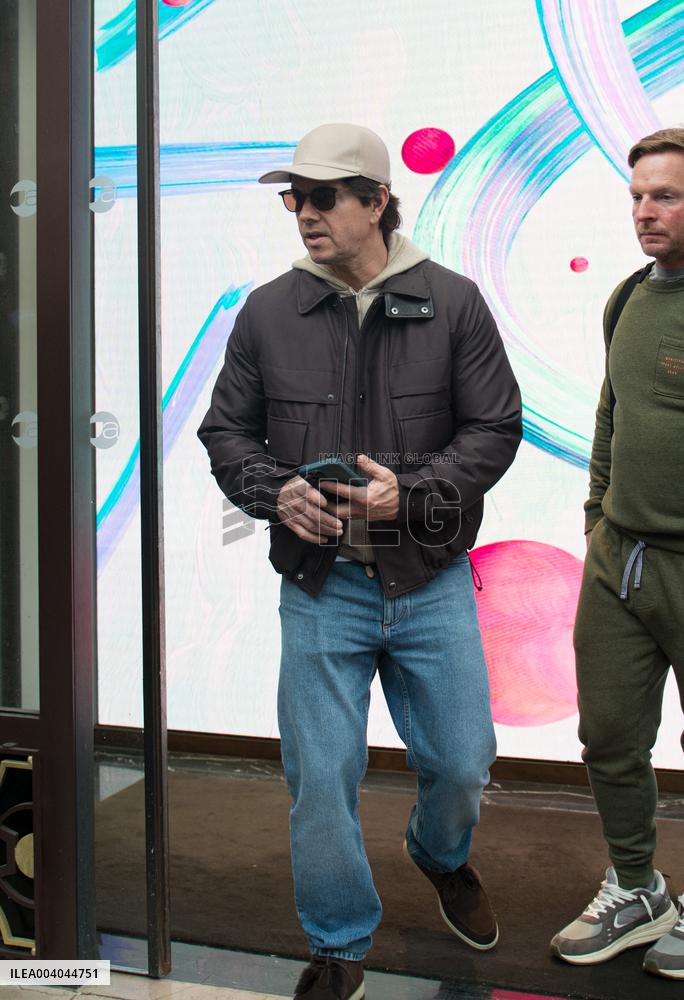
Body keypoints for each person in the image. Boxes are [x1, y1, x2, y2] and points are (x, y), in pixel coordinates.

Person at [198, 123, 522, 1000]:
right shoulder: (268, 309)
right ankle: (339, 944)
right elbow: (225, 431)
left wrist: (407, 494)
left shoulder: (453, 301)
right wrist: (274, 492)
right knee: (319, 776)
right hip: (319, 586)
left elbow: (494, 429)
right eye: (293, 198)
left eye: (325, 196)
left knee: (461, 763)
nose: (304, 213)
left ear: (379, 200)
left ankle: (440, 853)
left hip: (429, 579)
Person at [551, 127, 684, 980]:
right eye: (636, 195)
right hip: (621, 562)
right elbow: (611, 415)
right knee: (607, 738)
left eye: (665, 195)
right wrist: (599, 516)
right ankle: (638, 889)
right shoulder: (629, 297)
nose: (645, 212)